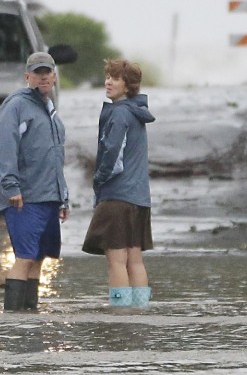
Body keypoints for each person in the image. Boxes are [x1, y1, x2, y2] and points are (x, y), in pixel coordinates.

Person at [0, 51, 70, 312]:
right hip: (24, 197)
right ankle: (13, 319)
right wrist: (11, 187)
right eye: (37, 73)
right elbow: (6, 148)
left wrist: (63, 197)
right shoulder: (16, 105)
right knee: (24, 257)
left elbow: (56, 156)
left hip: (48, 197)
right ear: (28, 77)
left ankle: (30, 317)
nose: (43, 77)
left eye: (47, 72)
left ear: (54, 77)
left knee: (38, 258)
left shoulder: (50, 110)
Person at [82, 59, 156, 307]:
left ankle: (120, 313)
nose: (108, 82)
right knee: (134, 259)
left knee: (116, 260)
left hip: (117, 197)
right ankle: (140, 311)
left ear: (129, 85)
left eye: (115, 78)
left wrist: (98, 181)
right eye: (107, 77)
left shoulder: (119, 113)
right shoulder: (136, 112)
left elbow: (113, 156)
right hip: (139, 198)